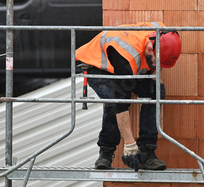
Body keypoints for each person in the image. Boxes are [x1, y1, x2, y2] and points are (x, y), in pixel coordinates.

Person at [75, 22, 182, 171]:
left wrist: (155, 85)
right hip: (95, 65)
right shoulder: (126, 54)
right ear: (150, 49)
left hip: (125, 64)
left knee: (156, 91)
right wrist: (130, 145)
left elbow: (154, 69)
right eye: (155, 63)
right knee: (114, 100)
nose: (157, 67)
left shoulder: (163, 34)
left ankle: (147, 152)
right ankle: (106, 152)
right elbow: (121, 102)